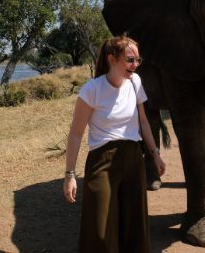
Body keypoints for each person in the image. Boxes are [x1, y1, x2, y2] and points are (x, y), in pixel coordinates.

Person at [62, 34, 166, 253]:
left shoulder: (135, 83)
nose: (135, 65)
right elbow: (76, 134)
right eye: (130, 60)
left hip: (133, 158)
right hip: (102, 161)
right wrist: (70, 175)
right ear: (112, 59)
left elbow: (144, 121)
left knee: (134, 225)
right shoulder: (92, 90)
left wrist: (155, 154)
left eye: (138, 60)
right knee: (100, 229)